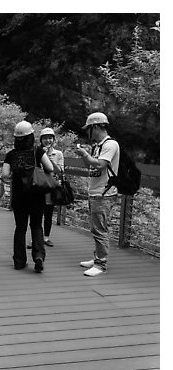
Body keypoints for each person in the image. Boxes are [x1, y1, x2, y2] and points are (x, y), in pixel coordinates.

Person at [2, 121, 54, 273]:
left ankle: (19, 261)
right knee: (37, 225)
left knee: (20, 227)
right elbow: (50, 168)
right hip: (37, 194)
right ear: (31, 136)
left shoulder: (11, 154)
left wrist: (15, 176)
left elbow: (5, 174)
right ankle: (38, 256)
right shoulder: (37, 151)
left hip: (19, 196)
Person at [75, 112, 120, 277]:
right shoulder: (97, 145)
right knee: (96, 228)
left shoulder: (110, 144)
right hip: (95, 191)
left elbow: (100, 165)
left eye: (89, 128)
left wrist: (84, 154)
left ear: (95, 126)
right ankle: (97, 258)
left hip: (104, 193)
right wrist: (85, 155)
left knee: (100, 229)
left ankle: (101, 263)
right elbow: (90, 166)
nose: (88, 132)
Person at [39, 128, 65, 247]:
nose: (48, 140)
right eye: (45, 138)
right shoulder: (37, 151)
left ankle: (46, 237)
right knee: (37, 212)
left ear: (54, 140)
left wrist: (49, 160)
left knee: (48, 212)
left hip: (51, 186)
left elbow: (60, 171)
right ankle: (36, 237)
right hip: (38, 185)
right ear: (41, 140)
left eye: (50, 138)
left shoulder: (58, 154)